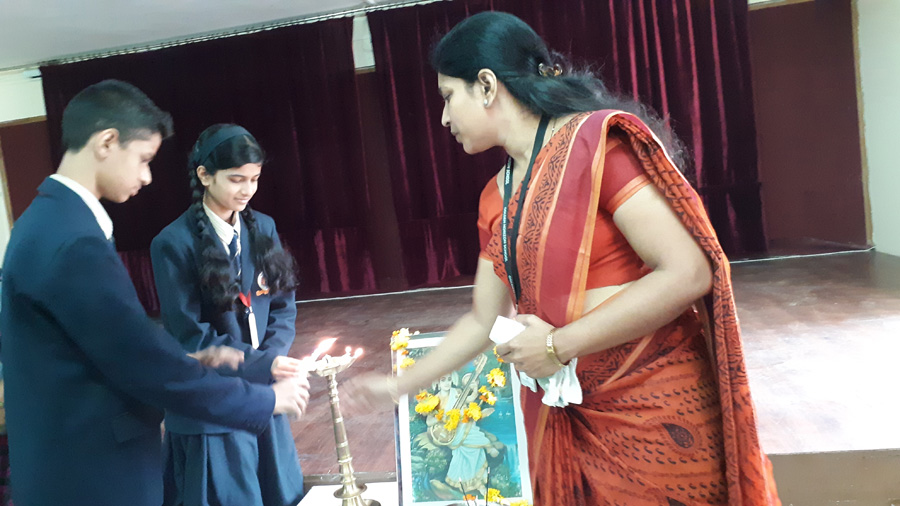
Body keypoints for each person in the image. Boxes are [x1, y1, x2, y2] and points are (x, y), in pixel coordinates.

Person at [345, 12, 780, 506]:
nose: (444, 118)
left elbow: (688, 272)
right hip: (566, 411)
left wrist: (557, 345)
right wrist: (397, 386)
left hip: (653, 406)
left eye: (448, 96)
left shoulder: (598, 150)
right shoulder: (496, 196)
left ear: (486, 86)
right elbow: (484, 320)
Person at [0, 80, 309, 506]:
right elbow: (144, 364)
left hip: (70, 461)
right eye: (144, 159)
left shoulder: (46, 220)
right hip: (91, 473)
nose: (147, 176)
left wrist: (190, 361)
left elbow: (102, 350)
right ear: (107, 142)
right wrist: (264, 399)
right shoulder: (74, 240)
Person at [151, 124, 305, 506]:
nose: (247, 189)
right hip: (213, 404)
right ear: (204, 175)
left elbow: (283, 305)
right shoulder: (172, 243)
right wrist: (262, 365)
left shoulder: (262, 226)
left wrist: (272, 359)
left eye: (254, 179)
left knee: (279, 492)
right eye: (236, 179)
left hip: (264, 391)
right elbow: (191, 335)